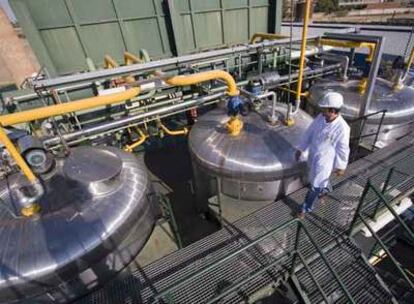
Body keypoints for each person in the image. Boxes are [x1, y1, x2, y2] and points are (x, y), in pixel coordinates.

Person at [295, 92, 350, 219]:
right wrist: (301, 148)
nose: (322, 111)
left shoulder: (342, 128)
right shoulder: (320, 118)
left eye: (325, 109)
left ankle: (306, 208)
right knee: (315, 180)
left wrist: (341, 166)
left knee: (315, 185)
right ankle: (324, 190)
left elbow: (343, 148)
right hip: (314, 154)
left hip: (325, 160)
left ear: (332, 111)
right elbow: (309, 133)